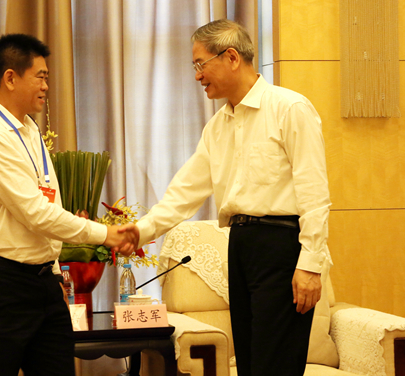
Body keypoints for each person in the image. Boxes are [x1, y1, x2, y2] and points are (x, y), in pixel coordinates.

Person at [124, 19, 331, 375]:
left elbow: (315, 193)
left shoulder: (290, 108)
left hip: (282, 247)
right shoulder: (218, 126)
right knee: (250, 362)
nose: (197, 76)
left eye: (200, 64)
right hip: (240, 245)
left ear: (232, 57)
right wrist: (139, 232)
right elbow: (184, 192)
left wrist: (310, 264)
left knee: (274, 364)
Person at [0, 33, 135, 376]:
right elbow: (36, 213)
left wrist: (54, 272)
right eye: (40, 77)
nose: (46, 86)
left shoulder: (28, 129)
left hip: (42, 282)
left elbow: (47, 202)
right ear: (10, 78)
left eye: (47, 78)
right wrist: (106, 235)